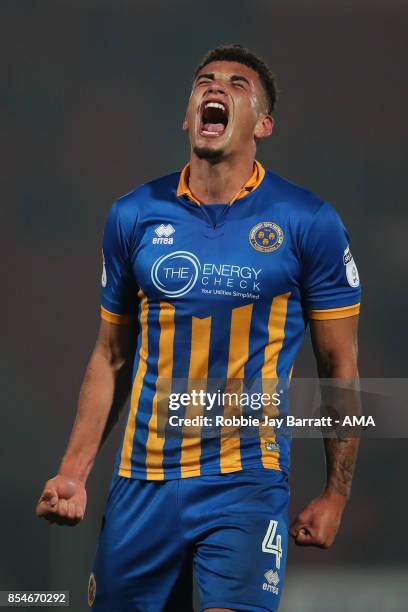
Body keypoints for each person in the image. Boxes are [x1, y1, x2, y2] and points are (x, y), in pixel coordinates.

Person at [36, 44, 361, 612]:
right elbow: (111, 356)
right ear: (188, 115)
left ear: (262, 123)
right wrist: (73, 471)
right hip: (141, 483)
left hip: (246, 485)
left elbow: (340, 368)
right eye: (205, 82)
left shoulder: (309, 222)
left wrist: (336, 492)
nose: (216, 88)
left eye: (237, 84)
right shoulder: (133, 215)